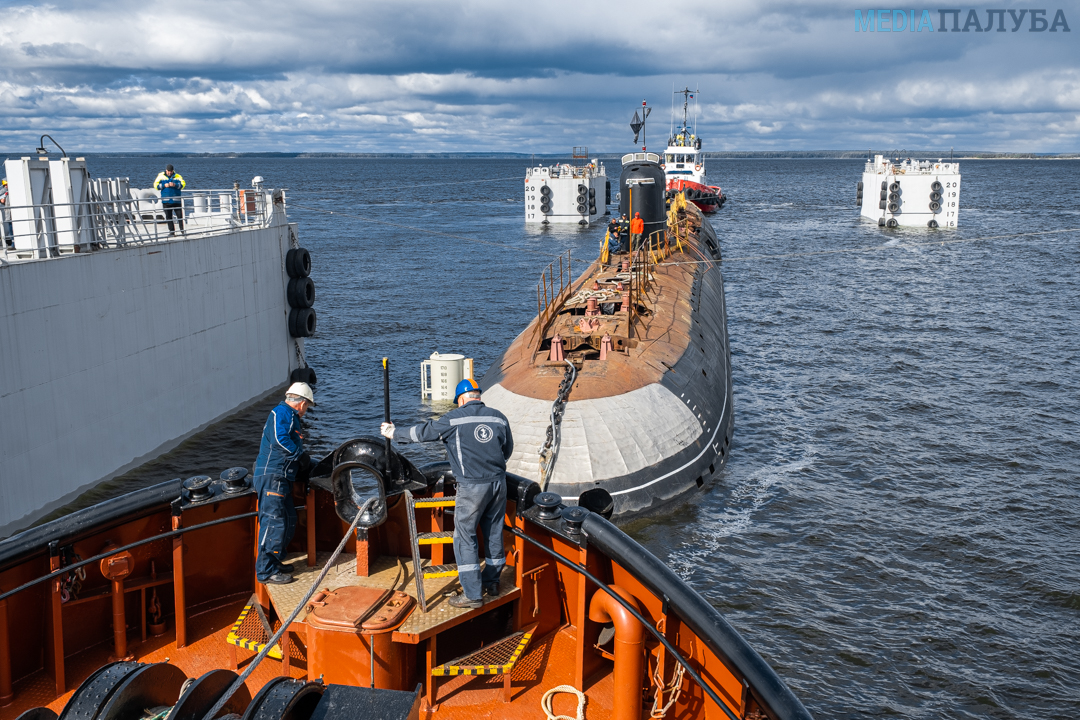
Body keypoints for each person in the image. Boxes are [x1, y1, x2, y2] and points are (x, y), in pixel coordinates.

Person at [381, 378, 513, 609]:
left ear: (461, 400)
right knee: (493, 532)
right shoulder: (498, 417)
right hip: (498, 484)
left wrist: (394, 432)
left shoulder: (454, 418)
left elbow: (423, 433)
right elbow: (507, 449)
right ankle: (492, 583)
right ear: (478, 396)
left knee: (465, 536)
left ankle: (472, 594)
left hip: (472, 487)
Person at [253, 382, 315, 585]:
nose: (306, 412)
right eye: (307, 407)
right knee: (274, 522)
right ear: (302, 403)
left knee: (288, 519)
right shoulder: (284, 413)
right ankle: (265, 571)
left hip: (281, 478)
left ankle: (275, 561)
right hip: (273, 476)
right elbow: (280, 440)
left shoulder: (285, 415)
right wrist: (300, 455)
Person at [154, 164, 186, 234]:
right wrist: (164, 185)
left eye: (171, 171)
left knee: (180, 216)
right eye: (168, 171)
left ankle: (182, 231)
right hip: (166, 201)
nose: (169, 172)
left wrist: (175, 185)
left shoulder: (178, 176)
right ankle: (172, 232)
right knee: (168, 217)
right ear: (166, 170)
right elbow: (156, 186)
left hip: (176, 201)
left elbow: (183, 185)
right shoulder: (161, 176)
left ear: (173, 171)